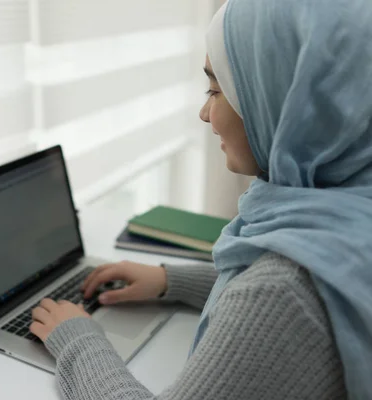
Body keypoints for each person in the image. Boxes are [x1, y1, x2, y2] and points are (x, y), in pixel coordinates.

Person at [30, 0, 372, 398]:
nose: (204, 114)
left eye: (216, 89)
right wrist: (168, 280)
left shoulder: (282, 293)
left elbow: (279, 297)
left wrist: (76, 340)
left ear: (284, 98)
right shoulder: (349, 205)